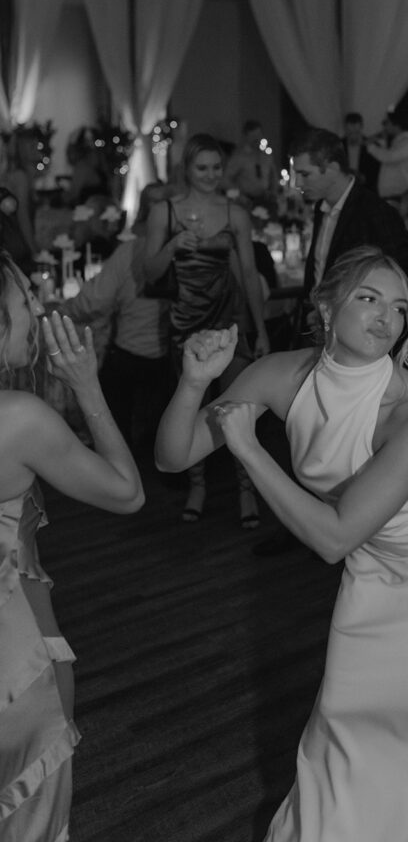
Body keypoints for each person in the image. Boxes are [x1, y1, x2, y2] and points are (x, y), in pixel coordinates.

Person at [155, 246, 408, 842]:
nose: (387, 317)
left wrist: (251, 450)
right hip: (377, 559)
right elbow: (174, 455)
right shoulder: (282, 375)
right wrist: (193, 381)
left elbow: (332, 540)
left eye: (400, 307)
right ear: (326, 306)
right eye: (368, 298)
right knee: (346, 716)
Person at [0, 253, 143, 842]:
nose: (37, 309)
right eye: (22, 300)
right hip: (19, 662)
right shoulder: (18, 421)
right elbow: (127, 493)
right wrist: (86, 384)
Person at [144, 133, 269, 524]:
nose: (211, 175)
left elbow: (249, 273)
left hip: (229, 323)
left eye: (217, 167)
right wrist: (172, 246)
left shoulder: (236, 214)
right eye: (203, 168)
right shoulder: (165, 211)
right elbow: (149, 273)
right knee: (191, 408)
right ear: (187, 170)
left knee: (238, 407)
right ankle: (196, 486)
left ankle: (247, 493)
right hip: (186, 325)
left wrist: (260, 329)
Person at [60, 182, 173, 449]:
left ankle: (117, 456)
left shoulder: (131, 251)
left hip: (135, 355)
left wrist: (63, 310)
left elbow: (94, 300)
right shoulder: (186, 248)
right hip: (173, 356)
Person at [294, 127, 408, 306]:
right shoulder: (322, 206)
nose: (298, 183)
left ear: (333, 168)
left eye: (305, 174)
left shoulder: (376, 212)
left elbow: (401, 279)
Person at [366, 108, 408, 203]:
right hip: (396, 195)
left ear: (396, 124)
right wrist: (382, 143)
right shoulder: (397, 142)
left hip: (403, 195)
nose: (384, 126)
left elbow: (389, 157)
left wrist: (369, 146)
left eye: (386, 123)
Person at [223, 119, 278, 209]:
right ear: (246, 136)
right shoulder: (239, 157)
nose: (256, 139)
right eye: (253, 136)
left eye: (258, 135)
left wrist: (273, 192)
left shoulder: (266, 156)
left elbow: (273, 176)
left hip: (265, 200)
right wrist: (239, 196)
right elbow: (225, 180)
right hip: (246, 202)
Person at [341, 111, 379, 192]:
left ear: (362, 128)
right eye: (350, 133)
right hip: (342, 189)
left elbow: (377, 172)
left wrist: (365, 178)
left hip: (366, 190)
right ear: (345, 129)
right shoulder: (338, 146)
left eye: (356, 132)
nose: (353, 136)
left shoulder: (373, 146)